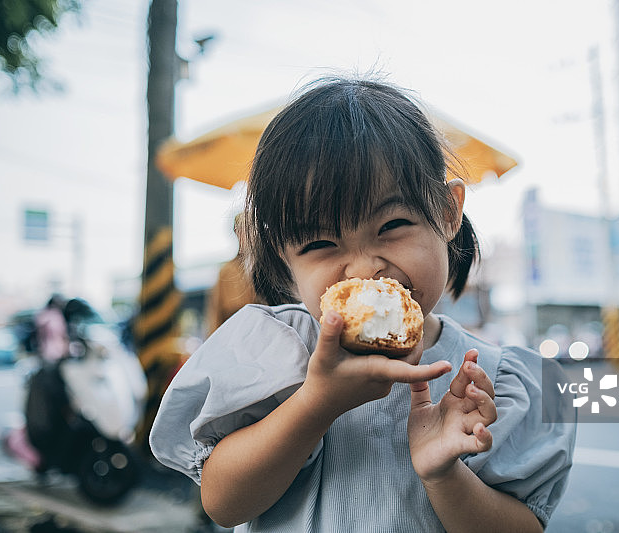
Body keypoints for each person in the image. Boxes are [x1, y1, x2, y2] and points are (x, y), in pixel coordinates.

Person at [150, 77, 576, 532]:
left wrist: (443, 473)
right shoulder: (269, 351)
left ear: (449, 212)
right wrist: (317, 401)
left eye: (392, 224)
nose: (363, 269)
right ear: (284, 257)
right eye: (320, 242)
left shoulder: (488, 379)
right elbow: (223, 503)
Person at [204, 212, 263, 336]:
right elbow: (215, 316)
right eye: (241, 230)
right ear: (236, 233)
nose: (246, 235)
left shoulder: (268, 270)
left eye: (250, 229)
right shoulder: (227, 272)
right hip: (235, 340)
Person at [33, 294, 69, 362]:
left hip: (50, 348)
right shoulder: (55, 316)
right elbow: (62, 333)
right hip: (53, 347)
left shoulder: (44, 315)